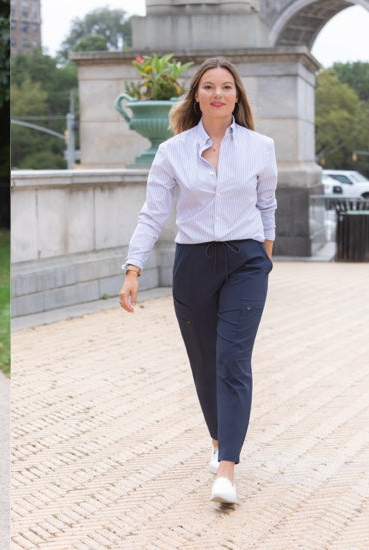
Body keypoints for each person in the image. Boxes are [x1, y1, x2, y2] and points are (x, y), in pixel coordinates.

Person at [118, 57, 276, 506]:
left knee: (232, 360)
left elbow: (268, 206)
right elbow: (152, 213)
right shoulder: (173, 152)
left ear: (237, 96)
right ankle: (217, 440)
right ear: (197, 96)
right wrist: (134, 268)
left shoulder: (261, 147)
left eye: (227, 87)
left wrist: (263, 259)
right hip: (193, 264)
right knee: (205, 363)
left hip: (245, 262)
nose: (218, 94)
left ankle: (227, 468)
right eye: (209, 87)